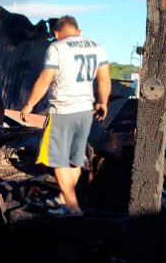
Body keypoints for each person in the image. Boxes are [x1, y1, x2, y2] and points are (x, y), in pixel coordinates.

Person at [20, 15, 111, 217]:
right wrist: (102, 102)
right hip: (85, 112)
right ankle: (63, 200)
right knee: (74, 160)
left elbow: (45, 79)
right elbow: (104, 79)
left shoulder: (56, 48)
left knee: (58, 160)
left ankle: (73, 207)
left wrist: (28, 105)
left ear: (56, 33)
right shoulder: (97, 47)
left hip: (63, 111)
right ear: (78, 31)